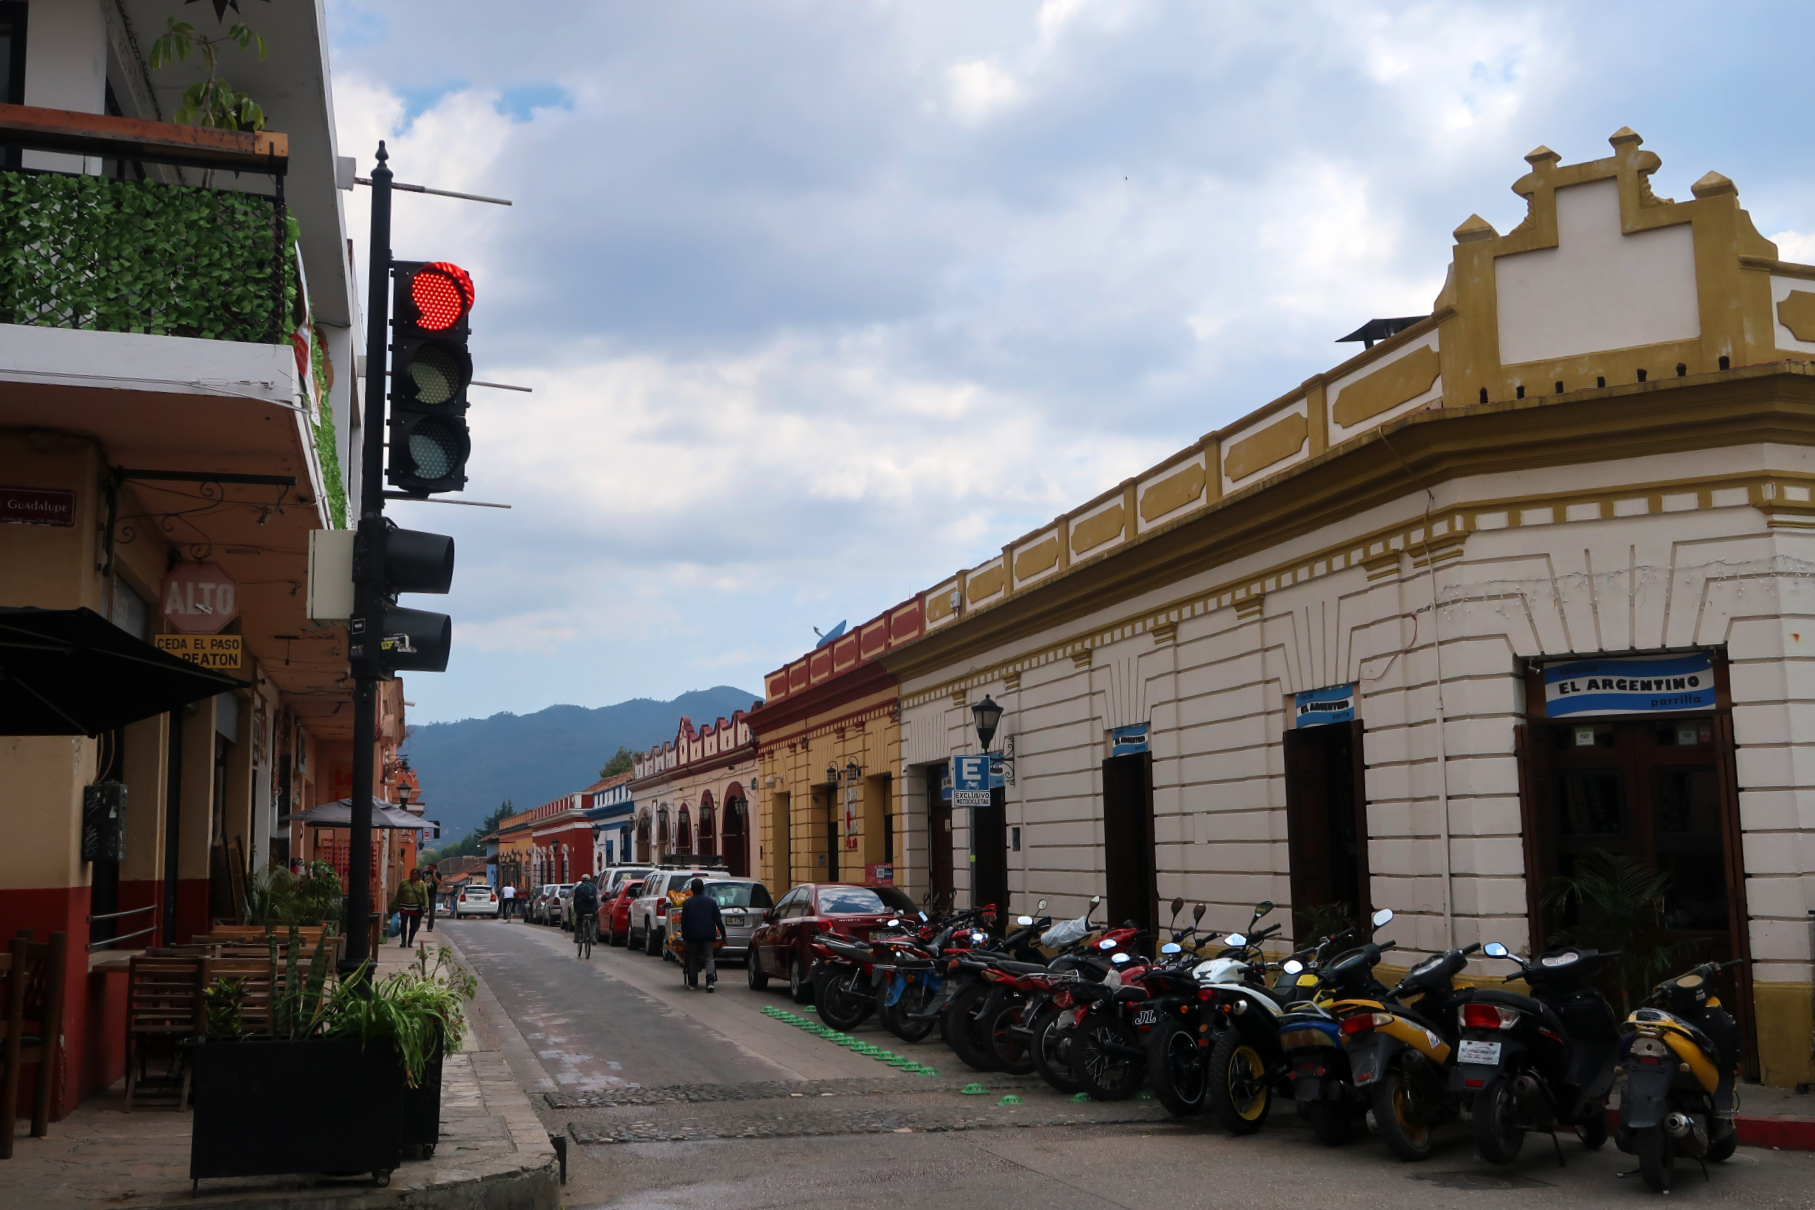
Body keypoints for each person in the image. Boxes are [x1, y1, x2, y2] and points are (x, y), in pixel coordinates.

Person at [678, 878, 726, 991]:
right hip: (708, 934)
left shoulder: (688, 903)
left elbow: (684, 921)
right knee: (709, 957)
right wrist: (723, 934)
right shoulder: (711, 902)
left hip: (693, 935)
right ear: (703, 889)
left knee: (693, 958)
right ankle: (710, 981)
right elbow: (718, 920)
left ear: (692, 890)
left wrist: (684, 936)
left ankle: (693, 982)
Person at [391, 867, 429, 948]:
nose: (412, 876)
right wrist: (396, 906)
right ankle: (403, 941)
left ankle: (410, 941)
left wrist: (426, 906)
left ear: (418, 876)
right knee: (403, 922)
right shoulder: (403, 883)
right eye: (412, 874)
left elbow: (425, 896)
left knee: (413, 925)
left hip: (415, 908)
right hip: (404, 906)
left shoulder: (422, 884)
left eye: (415, 874)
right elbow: (398, 895)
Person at [571, 873, 600, 956]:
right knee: (594, 921)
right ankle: (592, 935)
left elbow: (575, 900)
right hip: (592, 909)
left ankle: (576, 938)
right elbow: (596, 899)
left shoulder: (579, 888)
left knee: (579, 921)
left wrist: (576, 910)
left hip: (581, 910)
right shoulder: (594, 887)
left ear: (582, 880)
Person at [423, 863, 442, 933]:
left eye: (431, 867)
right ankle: (416, 925)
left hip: (432, 895)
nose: (429, 868)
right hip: (424, 895)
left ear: (434, 868)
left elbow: (438, 883)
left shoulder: (438, 874)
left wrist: (434, 875)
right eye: (429, 866)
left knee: (432, 912)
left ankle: (430, 927)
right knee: (421, 911)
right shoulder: (424, 873)